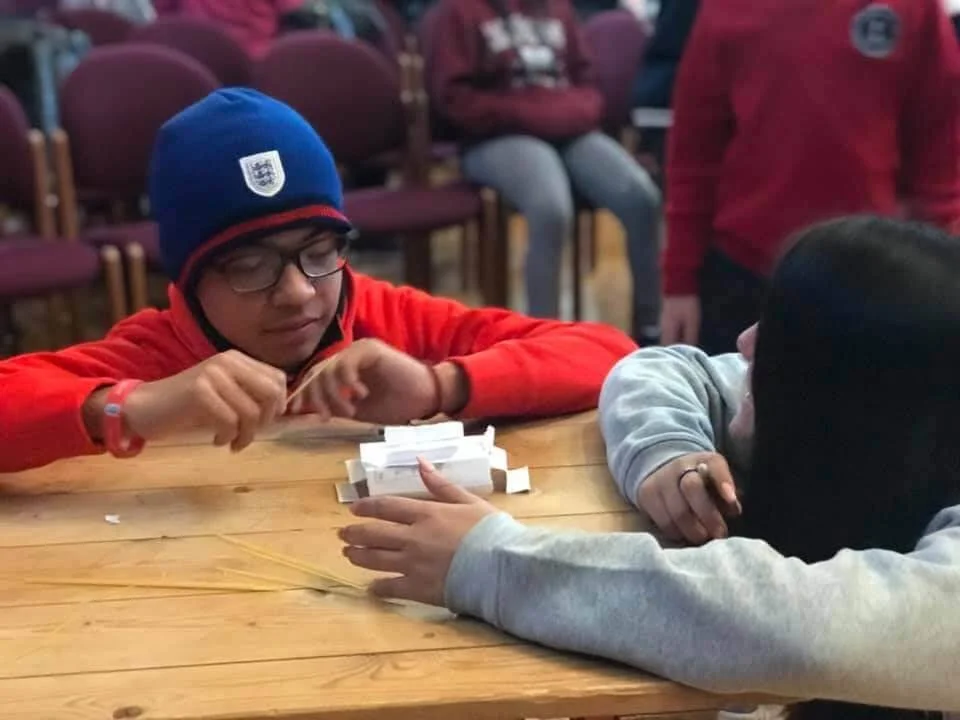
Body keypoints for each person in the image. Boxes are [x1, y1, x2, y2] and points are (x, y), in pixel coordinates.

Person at [338, 216, 960, 715]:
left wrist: (491, 563)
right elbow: (656, 367)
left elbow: (795, 626)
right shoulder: (911, 412)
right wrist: (669, 453)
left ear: (847, 391)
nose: (745, 342)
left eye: (781, 333)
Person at [0, 88, 636, 474]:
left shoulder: (385, 318)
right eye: (249, 266)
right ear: (190, 280)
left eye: (319, 251)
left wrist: (437, 385)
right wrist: (128, 407)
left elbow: (609, 353)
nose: (299, 293)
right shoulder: (159, 353)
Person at [660, 0, 960, 353]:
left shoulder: (914, 8)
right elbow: (694, 151)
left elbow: (941, 149)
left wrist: (940, 276)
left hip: (877, 279)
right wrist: (679, 283)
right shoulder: (726, 8)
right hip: (745, 271)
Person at [427, 0, 662, 342]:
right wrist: (535, 112)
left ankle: (651, 329)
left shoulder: (557, 7)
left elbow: (587, 81)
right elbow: (454, 99)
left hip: (569, 129)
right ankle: (543, 339)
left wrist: (565, 112)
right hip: (495, 136)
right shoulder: (459, 11)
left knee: (640, 196)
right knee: (550, 208)